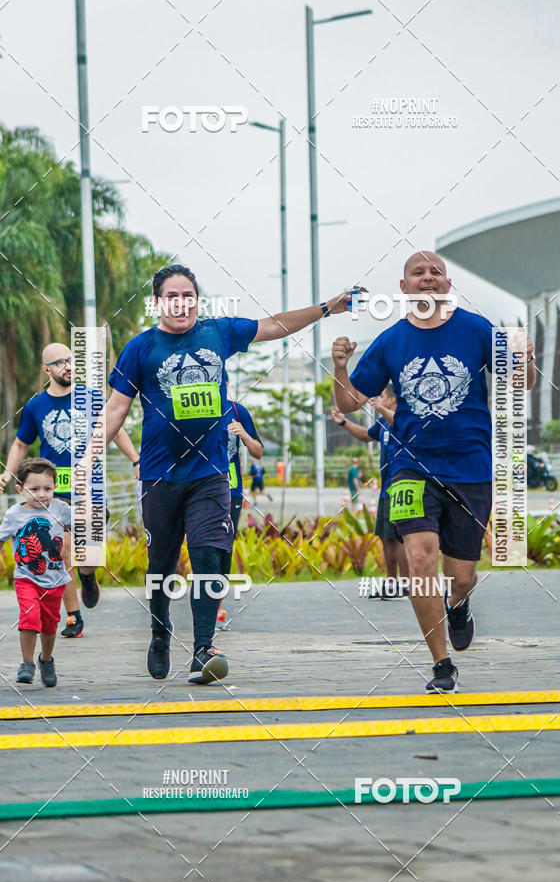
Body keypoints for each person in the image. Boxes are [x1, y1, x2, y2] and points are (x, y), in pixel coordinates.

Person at [85, 263, 350, 685]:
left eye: (188, 295)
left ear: (197, 300)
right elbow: (116, 408)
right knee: (162, 566)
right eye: (172, 296)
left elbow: (274, 325)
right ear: (157, 302)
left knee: (208, 555)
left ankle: (204, 648)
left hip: (210, 473)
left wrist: (325, 308)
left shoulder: (217, 332)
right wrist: (88, 458)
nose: (181, 303)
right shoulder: (141, 348)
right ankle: (159, 633)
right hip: (159, 475)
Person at [332, 250, 536, 692]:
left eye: (436, 272)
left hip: (470, 467)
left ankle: (458, 603)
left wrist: (527, 358)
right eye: (417, 273)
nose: (428, 278)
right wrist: (340, 367)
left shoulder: (477, 329)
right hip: (411, 466)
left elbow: (522, 381)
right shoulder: (391, 340)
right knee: (419, 557)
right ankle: (441, 663)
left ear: (448, 285)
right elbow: (349, 403)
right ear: (404, 289)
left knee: (461, 575)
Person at [0, 343, 139, 637]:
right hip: (54, 492)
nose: (67, 366)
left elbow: (116, 430)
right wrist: (8, 472)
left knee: (86, 554)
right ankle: (74, 617)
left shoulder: (91, 397)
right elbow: (21, 444)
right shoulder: (36, 405)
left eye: (70, 360)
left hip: (90, 489)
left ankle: (88, 576)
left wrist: (136, 460)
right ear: (46, 369)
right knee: (61, 552)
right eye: (59, 362)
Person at [332, 389, 410, 599]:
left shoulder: (404, 417)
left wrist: (381, 408)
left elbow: (399, 422)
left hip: (404, 486)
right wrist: (343, 422)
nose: (379, 399)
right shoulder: (383, 424)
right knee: (387, 538)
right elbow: (366, 435)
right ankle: (391, 583)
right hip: (386, 489)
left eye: (383, 396)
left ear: (393, 399)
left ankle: (406, 584)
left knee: (401, 538)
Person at [0, 458, 72, 686]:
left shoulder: (61, 508)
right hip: (26, 578)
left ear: (55, 488)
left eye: (47, 489)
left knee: (50, 626)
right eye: (35, 489)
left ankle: (46, 659)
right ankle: (27, 663)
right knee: (30, 617)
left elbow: (84, 523)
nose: (42, 494)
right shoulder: (14, 514)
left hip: (55, 580)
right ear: (20, 490)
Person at [217, 375, 263, 629]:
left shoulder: (236, 410)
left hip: (230, 489)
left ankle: (217, 607)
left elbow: (258, 451)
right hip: (198, 487)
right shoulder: (192, 407)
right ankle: (205, 600)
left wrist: (244, 434)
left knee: (224, 547)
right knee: (202, 546)